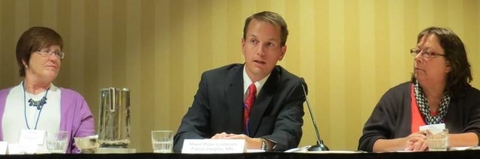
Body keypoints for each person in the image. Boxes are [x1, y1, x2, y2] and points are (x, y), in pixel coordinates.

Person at [173, 11, 306, 152]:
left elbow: (287, 137)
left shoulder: (291, 87)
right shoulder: (212, 82)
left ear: (282, 52)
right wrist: (211, 144)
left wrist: (256, 144)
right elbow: (183, 137)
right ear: (243, 45)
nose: (260, 51)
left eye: (270, 44)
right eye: (254, 41)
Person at [358, 26, 480, 152]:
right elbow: (368, 141)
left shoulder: (473, 100)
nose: (417, 58)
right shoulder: (395, 98)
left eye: (428, 53)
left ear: (449, 64)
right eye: (417, 51)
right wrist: (405, 142)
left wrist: (437, 140)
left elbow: (477, 135)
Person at [0, 26, 95, 153]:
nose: (54, 58)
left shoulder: (75, 102)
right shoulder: (2, 100)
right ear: (24, 59)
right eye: (46, 51)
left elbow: (86, 151)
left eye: (57, 53)